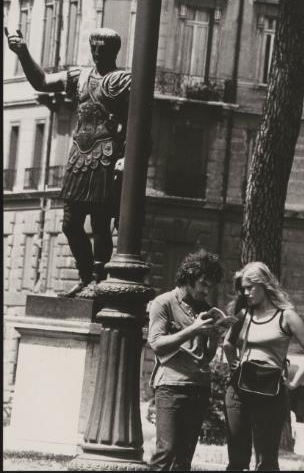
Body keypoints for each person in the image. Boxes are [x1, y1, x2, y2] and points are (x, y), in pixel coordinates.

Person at [6, 27, 131, 297]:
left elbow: (138, 122)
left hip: (106, 156)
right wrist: (23, 52)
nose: (97, 52)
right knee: (70, 223)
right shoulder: (80, 76)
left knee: (100, 223)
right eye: (94, 47)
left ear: (113, 51)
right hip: (79, 156)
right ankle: (85, 277)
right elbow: (41, 82)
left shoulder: (122, 80)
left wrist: (126, 157)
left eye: (103, 48)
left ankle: (98, 279)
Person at [223, 261, 304, 471]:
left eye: (251, 287)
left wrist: (295, 382)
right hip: (239, 390)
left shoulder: (286, 316)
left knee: (266, 462)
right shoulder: (243, 315)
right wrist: (234, 363)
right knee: (237, 460)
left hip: (271, 392)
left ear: (264, 284)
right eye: (243, 289)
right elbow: (228, 343)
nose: (246, 293)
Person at [148, 249, 233, 471]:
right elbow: (156, 344)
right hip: (171, 385)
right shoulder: (163, 303)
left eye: (210, 287)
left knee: (184, 458)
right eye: (203, 284)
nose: (207, 291)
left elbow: (204, 358)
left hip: (199, 386)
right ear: (188, 277)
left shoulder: (204, 310)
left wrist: (214, 339)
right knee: (165, 451)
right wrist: (193, 329)